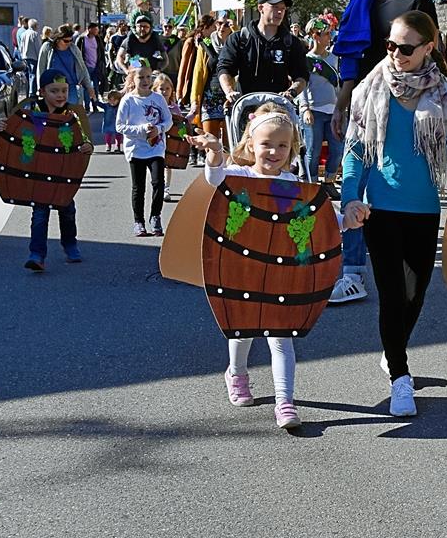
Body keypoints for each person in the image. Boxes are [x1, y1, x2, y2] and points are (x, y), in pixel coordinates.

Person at [340, 11, 447, 417]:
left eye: (406, 47)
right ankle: (400, 378)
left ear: (429, 48)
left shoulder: (446, 94)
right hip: (379, 209)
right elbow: (356, 150)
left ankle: (391, 347)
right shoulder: (369, 89)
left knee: (414, 296)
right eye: (391, 45)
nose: (396, 54)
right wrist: (349, 198)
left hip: (424, 209)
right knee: (392, 295)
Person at [187, 104, 309, 430]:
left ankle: (285, 401)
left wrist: (344, 219)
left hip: (279, 269)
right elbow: (215, 179)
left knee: (281, 337)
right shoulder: (240, 176)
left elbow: (310, 219)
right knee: (243, 328)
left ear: (292, 148)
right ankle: (237, 373)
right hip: (241, 266)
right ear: (251, 144)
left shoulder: (292, 183)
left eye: (282, 145)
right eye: (267, 143)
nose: (274, 151)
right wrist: (214, 153)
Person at [333, 0, 439, 307]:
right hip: (364, 106)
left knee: (391, 186)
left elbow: (431, 55)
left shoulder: (415, 2)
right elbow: (351, 58)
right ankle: (353, 273)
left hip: (404, 110)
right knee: (353, 181)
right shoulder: (360, 1)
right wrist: (341, 104)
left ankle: (398, 262)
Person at [0, 68, 94, 271]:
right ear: (42, 91)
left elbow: (85, 139)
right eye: (54, 91)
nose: (60, 95)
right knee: (40, 213)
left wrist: (87, 146)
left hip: (62, 173)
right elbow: (16, 132)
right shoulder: (29, 110)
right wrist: (5, 128)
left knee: (67, 210)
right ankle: (37, 254)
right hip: (38, 173)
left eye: (64, 91)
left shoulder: (73, 113)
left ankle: (70, 244)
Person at [116, 57, 173, 238]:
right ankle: (138, 221)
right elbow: (120, 126)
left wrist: (159, 129)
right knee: (138, 187)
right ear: (133, 79)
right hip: (136, 149)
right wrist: (141, 130)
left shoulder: (158, 99)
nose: (146, 81)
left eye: (148, 77)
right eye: (141, 77)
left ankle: (155, 216)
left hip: (156, 147)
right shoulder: (128, 101)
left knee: (158, 182)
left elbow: (168, 120)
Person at [297, 16, 341, 188]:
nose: (329, 37)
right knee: (313, 152)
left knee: (337, 150)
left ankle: (329, 182)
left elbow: (339, 84)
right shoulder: (306, 59)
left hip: (333, 111)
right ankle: (312, 184)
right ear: (315, 35)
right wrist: (305, 108)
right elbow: (303, 86)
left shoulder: (334, 58)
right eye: (325, 34)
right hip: (314, 110)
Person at [188, 16, 229, 148]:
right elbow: (198, 73)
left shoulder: (237, 44)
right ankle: (212, 167)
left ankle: (229, 168)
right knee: (210, 143)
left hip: (230, 97)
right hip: (209, 97)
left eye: (227, 24)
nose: (222, 27)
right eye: (220, 23)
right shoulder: (206, 43)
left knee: (230, 145)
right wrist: (194, 101)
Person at [36, 25, 96, 109]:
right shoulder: (47, 48)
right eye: (66, 41)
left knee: (70, 117)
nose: (69, 43)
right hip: (52, 88)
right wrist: (40, 88)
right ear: (57, 39)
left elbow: (83, 69)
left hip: (70, 88)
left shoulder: (73, 49)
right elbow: (40, 69)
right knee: (55, 117)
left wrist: (89, 87)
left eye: (71, 40)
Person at [152, 73, 182, 202]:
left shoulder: (174, 107)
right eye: (161, 89)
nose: (164, 92)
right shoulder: (152, 105)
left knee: (168, 165)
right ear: (155, 90)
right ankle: (157, 185)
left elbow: (182, 123)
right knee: (156, 164)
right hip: (156, 140)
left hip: (170, 140)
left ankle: (166, 189)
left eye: (167, 89)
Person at [116, 15, 169, 80]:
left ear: (150, 28)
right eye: (140, 26)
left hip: (151, 77)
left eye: (146, 26)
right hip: (134, 77)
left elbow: (165, 60)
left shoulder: (155, 40)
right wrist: (126, 70)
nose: (142, 29)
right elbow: (120, 57)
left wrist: (159, 70)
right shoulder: (129, 40)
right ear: (135, 27)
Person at [78, 22, 103, 109]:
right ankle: (87, 106)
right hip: (86, 67)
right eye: (95, 29)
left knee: (95, 87)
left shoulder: (97, 39)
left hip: (96, 66)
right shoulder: (81, 39)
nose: (97, 31)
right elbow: (78, 52)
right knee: (87, 87)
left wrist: (101, 63)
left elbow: (101, 51)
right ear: (89, 29)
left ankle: (95, 105)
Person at [17, 18, 41, 98]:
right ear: (35, 26)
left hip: (25, 57)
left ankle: (27, 92)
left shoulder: (24, 34)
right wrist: (39, 57)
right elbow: (37, 47)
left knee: (27, 75)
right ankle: (32, 92)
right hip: (33, 57)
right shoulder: (35, 34)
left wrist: (22, 55)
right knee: (33, 75)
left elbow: (20, 46)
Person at [96, 89, 124, 153]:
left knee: (118, 135)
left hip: (117, 123)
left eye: (114, 100)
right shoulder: (107, 106)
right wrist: (94, 99)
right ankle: (108, 145)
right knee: (108, 135)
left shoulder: (120, 106)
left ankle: (118, 146)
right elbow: (99, 104)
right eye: (110, 100)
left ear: (118, 100)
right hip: (108, 124)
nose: (112, 102)